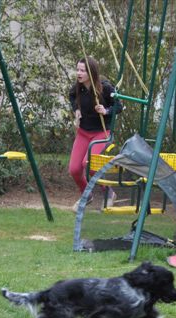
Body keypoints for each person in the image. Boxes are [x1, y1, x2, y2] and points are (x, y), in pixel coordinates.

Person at [68, 56, 122, 210]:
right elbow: (72, 97)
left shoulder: (105, 87)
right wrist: (76, 110)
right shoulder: (78, 87)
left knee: (90, 165)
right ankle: (87, 195)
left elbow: (119, 105)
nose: (78, 73)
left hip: (101, 133)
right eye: (77, 69)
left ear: (91, 72)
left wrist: (106, 111)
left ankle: (109, 193)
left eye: (82, 70)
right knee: (74, 169)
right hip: (83, 132)